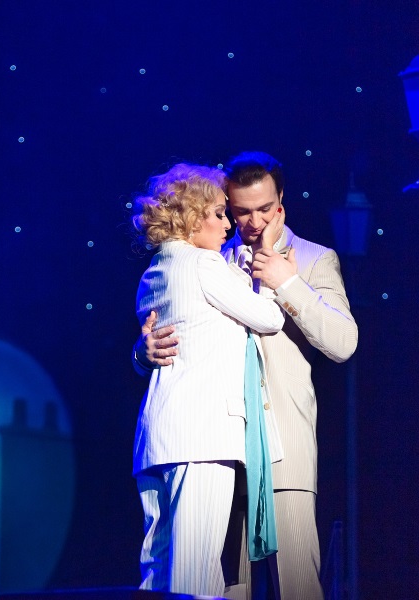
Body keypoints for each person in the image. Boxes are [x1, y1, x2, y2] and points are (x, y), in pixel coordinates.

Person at [135, 151, 358, 599]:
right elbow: (168, 324)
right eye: (241, 211)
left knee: (297, 587)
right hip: (218, 442)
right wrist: (143, 353)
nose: (254, 222)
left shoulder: (313, 258)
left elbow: (343, 342)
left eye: (265, 209)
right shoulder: (208, 255)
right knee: (220, 586)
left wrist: (287, 283)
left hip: (283, 449)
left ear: (281, 202)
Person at [130, 162, 294, 596]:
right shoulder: (203, 263)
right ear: (189, 217)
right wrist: (271, 267)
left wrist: (139, 353)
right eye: (219, 214)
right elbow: (269, 318)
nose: (228, 225)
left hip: (157, 439)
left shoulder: (153, 271)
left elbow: (158, 340)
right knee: (196, 577)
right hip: (201, 436)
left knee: (158, 571)